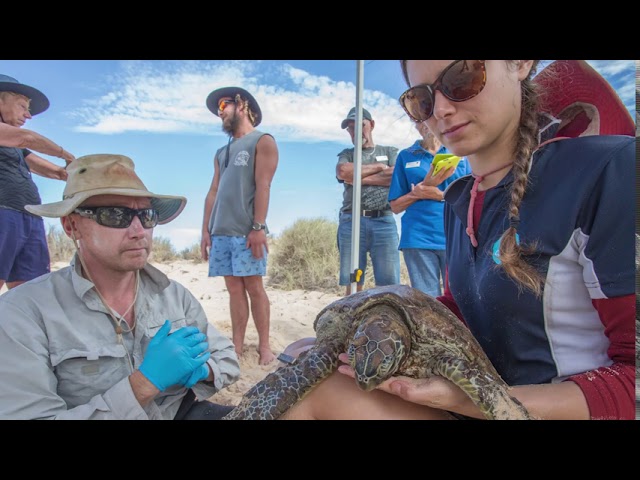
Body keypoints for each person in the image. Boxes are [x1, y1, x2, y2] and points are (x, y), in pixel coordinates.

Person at [281, 60, 636, 420]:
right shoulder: (460, 199)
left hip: (535, 409)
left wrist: (468, 399)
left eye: (462, 77)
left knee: (314, 396)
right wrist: (372, 333)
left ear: (520, 64)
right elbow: (462, 310)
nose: (440, 110)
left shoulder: (608, 171)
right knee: (306, 370)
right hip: (471, 402)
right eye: (421, 99)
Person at [0, 154, 240, 419]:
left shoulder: (173, 296)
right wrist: (144, 384)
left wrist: (201, 369)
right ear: (71, 226)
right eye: (115, 215)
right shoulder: (24, 312)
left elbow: (226, 358)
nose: (139, 230)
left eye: (147, 215)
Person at [201, 86, 278, 365]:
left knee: (254, 287)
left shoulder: (262, 141)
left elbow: (263, 185)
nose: (220, 112)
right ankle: (236, 345)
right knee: (234, 289)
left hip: (246, 231)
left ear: (242, 105)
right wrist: (205, 231)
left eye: (224, 105)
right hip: (220, 232)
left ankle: (265, 347)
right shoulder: (221, 152)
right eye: (218, 110)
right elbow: (213, 191)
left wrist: (258, 227)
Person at [0, 74, 76, 292]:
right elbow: (27, 138)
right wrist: (65, 154)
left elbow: (38, 164)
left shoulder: (14, 145)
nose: (28, 115)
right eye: (22, 106)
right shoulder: (14, 136)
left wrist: (68, 173)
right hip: (3, 213)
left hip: (29, 215)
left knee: (34, 291)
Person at [388, 121, 471, 296]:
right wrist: (417, 193)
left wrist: (440, 195)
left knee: (460, 299)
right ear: (414, 125)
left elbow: (473, 194)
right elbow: (395, 206)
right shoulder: (405, 156)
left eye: (428, 116)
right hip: (418, 239)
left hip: (456, 236)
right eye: (418, 120)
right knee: (427, 302)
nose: (425, 123)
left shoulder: (461, 152)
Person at [336, 106, 400, 296]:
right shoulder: (347, 154)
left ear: (371, 125)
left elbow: (395, 176)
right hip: (352, 220)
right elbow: (343, 172)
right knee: (354, 280)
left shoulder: (389, 151)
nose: (355, 131)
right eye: (350, 128)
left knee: (389, 283)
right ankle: (351, 322)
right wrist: (380, 167)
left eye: (360, 125)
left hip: (383, 221)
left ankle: (386, 323)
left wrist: (358, 178)